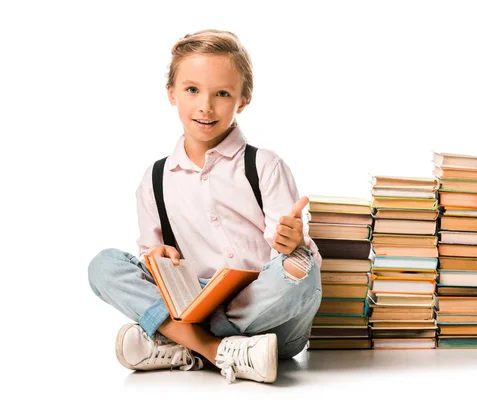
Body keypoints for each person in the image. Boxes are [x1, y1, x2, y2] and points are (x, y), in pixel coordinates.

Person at [88, 29, 322, 384]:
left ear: (242, 100)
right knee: (103, 266)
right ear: (172, 92)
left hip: (268, 318)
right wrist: (158, 256)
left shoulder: (264, 165)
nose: (205, 106)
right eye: (192, 90)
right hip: (195, 303)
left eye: (222, 93)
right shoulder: (155, 178)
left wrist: (294, 244)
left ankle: (180, 343)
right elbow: (151, 261)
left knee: (304, 273)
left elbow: (290, 264)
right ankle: (218, 351)